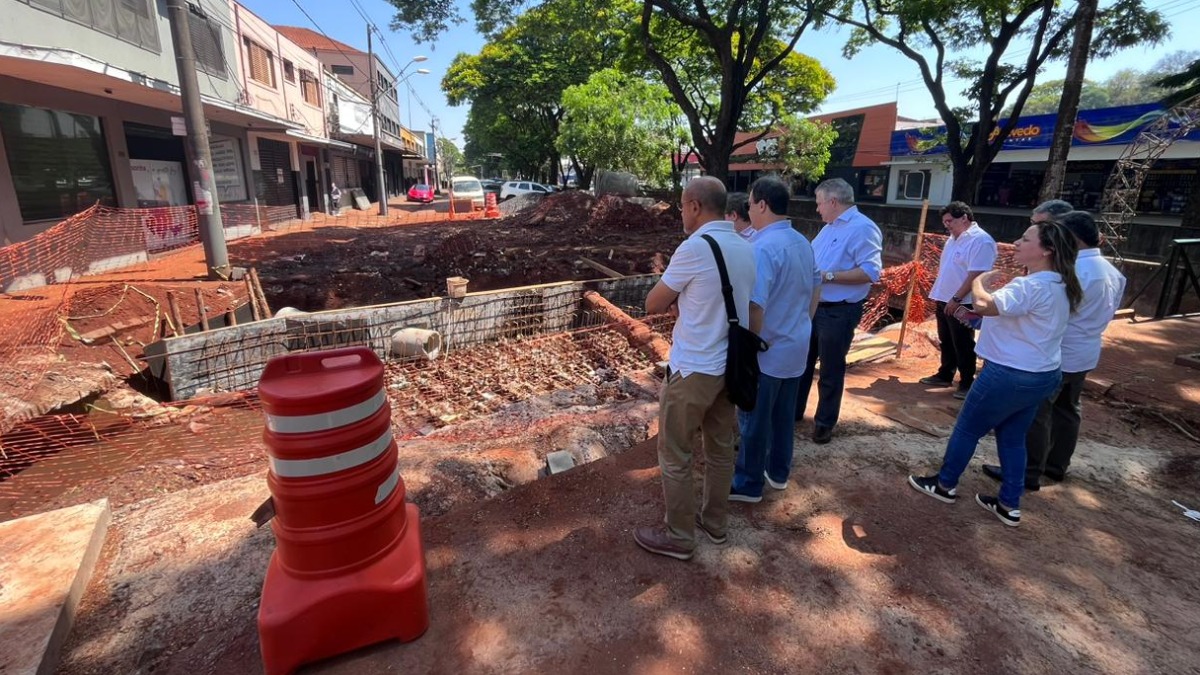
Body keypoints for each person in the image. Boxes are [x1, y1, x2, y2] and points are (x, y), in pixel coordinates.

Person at [909, 220, 1083, 527]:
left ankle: (945, 484)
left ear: (1046, 250)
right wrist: (981, 321)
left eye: (1026, 239)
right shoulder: (1062, 286)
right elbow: (1018, 321)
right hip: (1042, 374)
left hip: (1009, 373)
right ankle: (1008, 503)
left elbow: (983, 304)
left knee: (967, 429)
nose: (1016, 242)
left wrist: (981, 281)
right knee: (1014, 437)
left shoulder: (1030, 285)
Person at [635, 176, 756, 560]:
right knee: (721, 449)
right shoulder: (744, 245)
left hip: (693, 370)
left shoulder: (694, 248)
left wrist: (675, 299)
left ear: (694, 206)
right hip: (728, 367)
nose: (682, 214)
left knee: (675, 453)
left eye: (683, 207)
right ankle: (715, 524)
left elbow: (653, 303)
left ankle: (679, 536)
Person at [983, 211, 1126, 489]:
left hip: (1057, 353)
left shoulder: (1070, 272)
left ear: (1070, 238)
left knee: (1037, 413)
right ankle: (1056, 465)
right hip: (1085, 352)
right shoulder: (1112, 272)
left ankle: (1028, 472)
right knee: (1069, 410)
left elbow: (1049, 312)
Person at [729, 176, 819, 503]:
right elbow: (816, 286)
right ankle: (778, 472)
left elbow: (755, 304)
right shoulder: (802, 242)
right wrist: (802, 323)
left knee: (753, 419)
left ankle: (748, 483)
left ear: (762, 204)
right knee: (783, 417)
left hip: (767, 351)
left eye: (750, 204)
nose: (748, 209)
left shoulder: (763, 247)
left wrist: (747, 346)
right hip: (796, 346)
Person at [795, 178, 882, 444]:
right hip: (813, 307)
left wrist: (827, 276)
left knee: (831, 369)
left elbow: (870, 272)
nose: (817, 209)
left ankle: (824, 422)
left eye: (820, 203)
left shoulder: (863, 229)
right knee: (801, 363)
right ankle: (794, 412)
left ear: (833, 202)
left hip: (838, 311)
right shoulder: (829, 228)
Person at [920, 201, 998, 400]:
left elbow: (976, 274)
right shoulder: (953, 239)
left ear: (964, 217)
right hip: (944, 297)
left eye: (950, 221)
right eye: (945, 221)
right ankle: (945, 374)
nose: (947, 225)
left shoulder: (980, 241)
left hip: (964, 301)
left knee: (963, 341)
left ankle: (966, 382)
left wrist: (957, 298)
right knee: (946, 340)